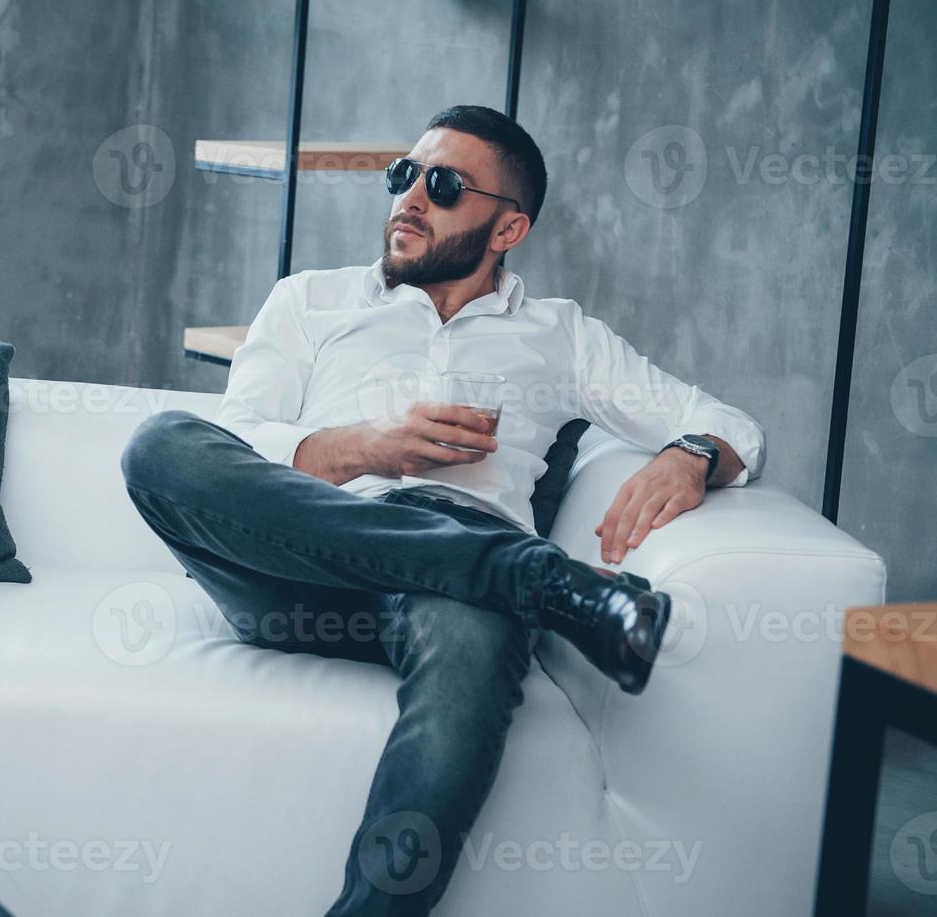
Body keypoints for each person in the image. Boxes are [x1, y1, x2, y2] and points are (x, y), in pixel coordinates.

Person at [120, 105, 766, 915]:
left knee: (472, 628)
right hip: (296, 563)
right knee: (159, 448)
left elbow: (727, 423)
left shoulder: (559, 335)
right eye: (404, 176)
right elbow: (237, 439)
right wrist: (366, 447)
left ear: (508, 228)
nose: (410, 198)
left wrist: (692, 453)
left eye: (445, 185)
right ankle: (538, 581)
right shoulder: (310, 300)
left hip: (449, 592)